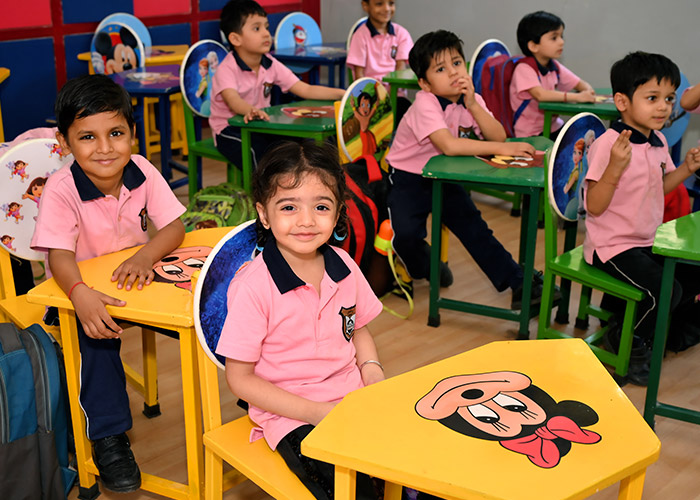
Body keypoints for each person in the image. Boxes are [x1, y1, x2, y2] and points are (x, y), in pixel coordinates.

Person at [30, 74, 187, 492]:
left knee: (208, 309)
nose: (104, 148)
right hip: (75, 293)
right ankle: (109, 436)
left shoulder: (143, 171)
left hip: (138, 283)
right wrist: (80, 295)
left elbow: (174, 228)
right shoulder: (61, 189)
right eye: (87, 137)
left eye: (116, 133)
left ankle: (260, 398)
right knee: (96, 343)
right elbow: (59, 256)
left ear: (133, 134)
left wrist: (145, 254)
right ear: (64, 143)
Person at [215, 140, 390, 500]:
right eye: (289, 207)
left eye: (321, 206)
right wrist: (315, 412)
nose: (307, 221)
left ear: (338, 211)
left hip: (352, 399)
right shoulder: (253, 287)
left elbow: (358, 329)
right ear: (264, 214)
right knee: (347, 489)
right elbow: (240, 379)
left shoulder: (344, 265)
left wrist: (371, 369)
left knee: (410, 459)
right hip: (290, 413)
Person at [385, 30, 548, 310]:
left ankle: (518, 282)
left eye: (457, 63)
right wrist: (504, 149)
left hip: (445, 175)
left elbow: (497, 137)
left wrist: (473, 104)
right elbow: (448, 145)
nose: (453, 73)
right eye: (440, 69)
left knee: (475, 228)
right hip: (408, 178)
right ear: (424, 83)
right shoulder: (426, 103)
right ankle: (429, 266)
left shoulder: (469, 98)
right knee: (406, 236)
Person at [583, 51, 700, 386]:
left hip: (647, 239)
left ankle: (642, 326)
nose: (663, 107)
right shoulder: (609, 145)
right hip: (611, 246)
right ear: (622, 101)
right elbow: (594, 205)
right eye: (652, 98)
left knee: (690, 277)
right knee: (662, 290)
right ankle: (625, 341)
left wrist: (686, 170)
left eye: (669, 98)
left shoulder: (657, 140)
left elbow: (657, 188)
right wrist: (615, 170)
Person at [209, 0, 345, 169]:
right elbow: (233, 100)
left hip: (262, 125)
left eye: (266, 27)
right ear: (235, 39)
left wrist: (341, 94)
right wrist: (249, 110)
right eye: (257, 28)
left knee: (296, 145)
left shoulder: (270, 63)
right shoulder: (227, 68)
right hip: (230, 130)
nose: (266, 34)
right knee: (257, 154)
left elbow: (305, 89)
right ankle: (263, 194)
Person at [509, 11, 595, 138]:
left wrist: (587, 91)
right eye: (554, 38)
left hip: (553, 126)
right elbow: (541, 95)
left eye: (561, 36)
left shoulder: (554, 66)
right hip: (530, 133)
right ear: (533, 46)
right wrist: (578, 97)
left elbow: (580, 84)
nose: (561, 42)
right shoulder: (524, 68)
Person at [347, 0, 413, 122]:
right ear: (365, 6)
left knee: (408, 112)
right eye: (379, 4)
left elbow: (400, 70)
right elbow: (359, 76)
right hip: (370, 97)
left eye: (391, 3)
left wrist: (388, 95)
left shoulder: (401, 34)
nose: (387, 8)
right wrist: (369, 97)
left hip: (395, 96)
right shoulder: (360, 36)